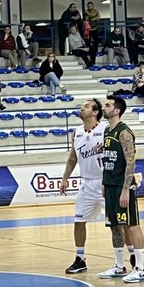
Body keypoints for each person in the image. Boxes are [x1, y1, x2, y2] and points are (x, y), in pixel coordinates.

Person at [98, 95, 144, 283]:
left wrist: (126, 189)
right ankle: (119, 266)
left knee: (131, 224)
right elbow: (108, 159)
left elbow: (130, 161)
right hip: (110, 184)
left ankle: (140, 268)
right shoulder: (107, 131)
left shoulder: (124, 132)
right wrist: (104, 183)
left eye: (108, 105)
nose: (104, 107)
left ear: (116, 110)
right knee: (114, 226)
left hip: (123, 185)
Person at [61, 99, 108, 274]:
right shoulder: (77, 132)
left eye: (86, 106)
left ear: (95, 112)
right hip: (87, 183)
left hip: (105, 181)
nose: (82, 108)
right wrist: (65, 178)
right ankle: (80, 259)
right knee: (78, 221)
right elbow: (72, 158)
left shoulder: (105, 129)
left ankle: (128, 258)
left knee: (116, 224)